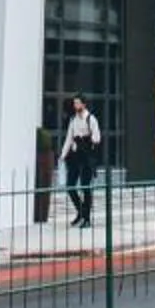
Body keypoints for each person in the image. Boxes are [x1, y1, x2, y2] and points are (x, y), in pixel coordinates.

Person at [62, 96, 104, 228]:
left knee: (85, 187)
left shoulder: (91, 119)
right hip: (75, 156)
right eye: (74, 103)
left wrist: (86, 140)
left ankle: (86, 218)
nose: (75, 105)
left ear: (84, 105)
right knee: (70, 185)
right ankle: (81, 211)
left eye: (78, 103)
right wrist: (63, 155)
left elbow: (97, 138)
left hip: (86, 156)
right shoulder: (73, 119)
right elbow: (69, 137)